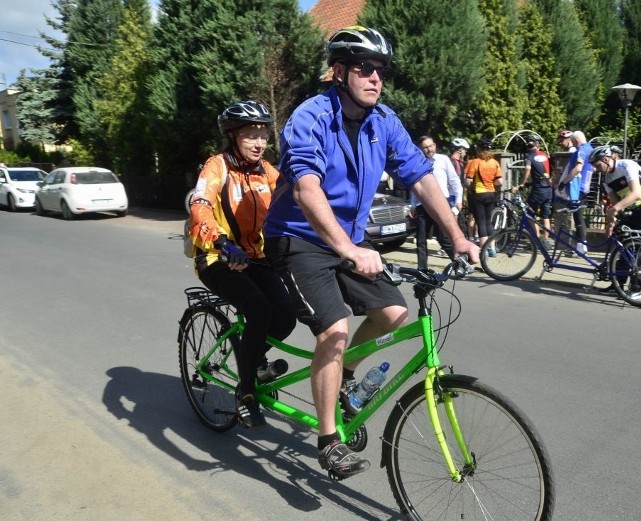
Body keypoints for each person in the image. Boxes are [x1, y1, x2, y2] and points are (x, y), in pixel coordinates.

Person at [262, 26, 480, 478]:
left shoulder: (384, 121)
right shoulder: (312, 116)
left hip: (348, 242)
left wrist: (457, 237)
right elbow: (306, 189)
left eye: (380, 70)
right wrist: (347, 248)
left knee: (394, 315)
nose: (375, 78)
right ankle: (328, 440)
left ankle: (339, 379)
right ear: (339, 71)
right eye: (365, 68)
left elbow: (421, 178)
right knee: (335, 331)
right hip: (298, 239)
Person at [186, 100, 297, 428]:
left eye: (263, 134)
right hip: (216, 256)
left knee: (287, 318)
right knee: (259, 309)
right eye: (250, 134)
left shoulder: (268, 171)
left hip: (257, 258)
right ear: (233, 136)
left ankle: (252, 358)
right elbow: (200, 204)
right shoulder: (216, 166)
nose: (259, 142)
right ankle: (246, 392)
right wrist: (220, 241)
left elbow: (295, 202)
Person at [589, 144, 641, 297]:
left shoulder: (627, 165)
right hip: (630, 211)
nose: (596, 168)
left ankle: (636, 289)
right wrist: (612, 221)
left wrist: (613, 210)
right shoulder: (606, 178)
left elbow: (636, 194)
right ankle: (618, 284)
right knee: (622, 246)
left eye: (597, 164)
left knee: (640, 249)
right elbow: (615, 203)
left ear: (606, 159)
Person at [410, 136, 463, 269]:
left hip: (441, 204)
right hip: (423, 205)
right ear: (421, 149)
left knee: (443, 238)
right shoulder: (418, 162)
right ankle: (422, 270)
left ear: (435, 145)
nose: (429, 149)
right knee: (421, 240)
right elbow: (415, 185)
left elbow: (455, 181)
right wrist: (413, 205)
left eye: (431, 146)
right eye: (425, 147)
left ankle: (459, 265)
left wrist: (458, 200)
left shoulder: (443, 160)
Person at [554, 130, 593, 254]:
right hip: (585, 186)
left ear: (575, 140)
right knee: (578, 216)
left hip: (577, 187)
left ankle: (579, 246)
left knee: (575, 216)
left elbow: (578, 168)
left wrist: (563, 182)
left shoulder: (581, 149)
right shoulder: (591, 149)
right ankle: (580, 246)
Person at [464, 137, 503, 256]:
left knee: (480, 222)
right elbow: (500, 182)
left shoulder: (475, 162)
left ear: (479, 149)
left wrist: (469, 188)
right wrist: (490, 183)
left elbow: (468, 181)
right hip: (491, 193)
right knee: (488, 222)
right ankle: (493, 248)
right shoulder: (495, 162)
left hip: (479, 193)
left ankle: (484, 250)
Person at [518, 134, 554, 248]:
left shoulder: (529, 155)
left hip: (538, 190)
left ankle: (536, 240)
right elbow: (550, 170)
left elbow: (528, 169)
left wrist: (522, 183)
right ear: (538, 144)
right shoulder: (545, 155)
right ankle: (545, 241)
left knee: (529, 214)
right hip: (548, 188)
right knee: (546, 216)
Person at [449, 137, 476, 240]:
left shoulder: (459, 163)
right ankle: (451, 242)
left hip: (456, 196)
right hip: (452, 195)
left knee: (457, 219)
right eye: (464, 149)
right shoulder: (452, 162)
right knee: (453, 219)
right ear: (459, 150)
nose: (465, 152)